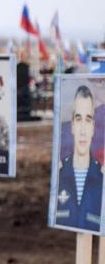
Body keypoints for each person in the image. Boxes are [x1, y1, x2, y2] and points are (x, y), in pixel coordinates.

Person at [55, 85, 103, 232]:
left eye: (88, 120)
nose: (83, 130)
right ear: (72, 126)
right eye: (78, 119)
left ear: (93, 127)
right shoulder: (58, 176)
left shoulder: (102, 179)